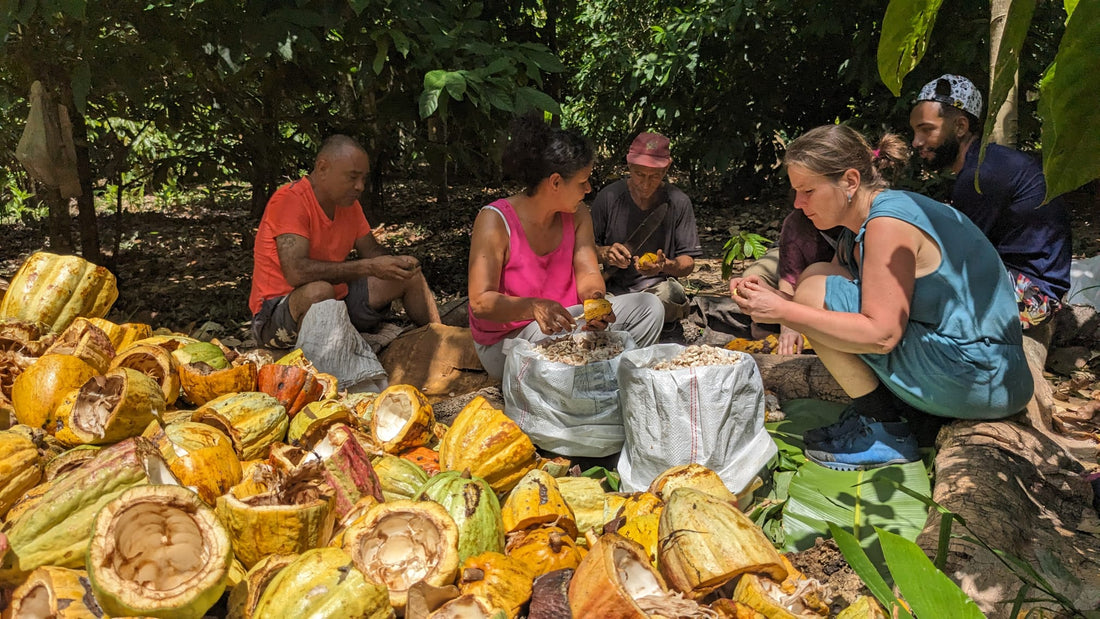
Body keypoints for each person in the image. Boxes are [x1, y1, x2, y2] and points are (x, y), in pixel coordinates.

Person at [730, 124, 1033, 471]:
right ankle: (893, 416)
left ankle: (884, 428)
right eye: (796, 191)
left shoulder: (887, 222)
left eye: (808, 191)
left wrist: (784, 312)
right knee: (815, 280)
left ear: (850, 181)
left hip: (981, 378)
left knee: (812, 290)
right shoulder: (862, 226)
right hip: (986, 374)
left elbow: (882, 334)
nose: (798, 203)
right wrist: (771, 296)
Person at [468, 116, 664, 379]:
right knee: (565, 332)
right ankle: (596, 376)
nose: (588, 189)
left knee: (650, 307)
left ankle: (603, 378)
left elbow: (588, 272)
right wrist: (533, 307)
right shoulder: (494, 220)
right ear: (556, 182)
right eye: (582, 182)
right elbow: (481, 302)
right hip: (511, 340)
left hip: (570, 323)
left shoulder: (578, 214)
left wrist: (595, 302)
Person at [910, 74, 1072, 329]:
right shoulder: (988, 163)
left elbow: (957, 260)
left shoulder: (980, 176)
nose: (916, 142)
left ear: (960, 127)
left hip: (1033, 298)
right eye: (915, 131)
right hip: (1032, 286)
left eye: (927, 129)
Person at [249, 135, 441, 349]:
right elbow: (296, 272)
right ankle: (320, 364)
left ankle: (443, 340)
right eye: (352, 177)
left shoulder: (348, 205)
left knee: (408, 273)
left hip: (338, 300)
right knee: (319, 292)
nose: (360, 186)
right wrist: (369, 267)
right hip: (276, 314)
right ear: (322, 168)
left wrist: (395, 263)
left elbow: (371, 250)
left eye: (363, 179)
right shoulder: (290, 200)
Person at [590, 132, 702, 334]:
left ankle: (635, 321)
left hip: (657, 290)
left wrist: (665, 266)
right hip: (613, 290)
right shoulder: (609, 197)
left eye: (654, 176)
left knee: (669, 296)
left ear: (666, 168)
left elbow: (688, 262)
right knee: (592, 307)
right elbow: (584, 250)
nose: (645, 183)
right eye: (639, 174)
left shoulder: (678, 202)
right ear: (629, 166)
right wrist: (605, 253)